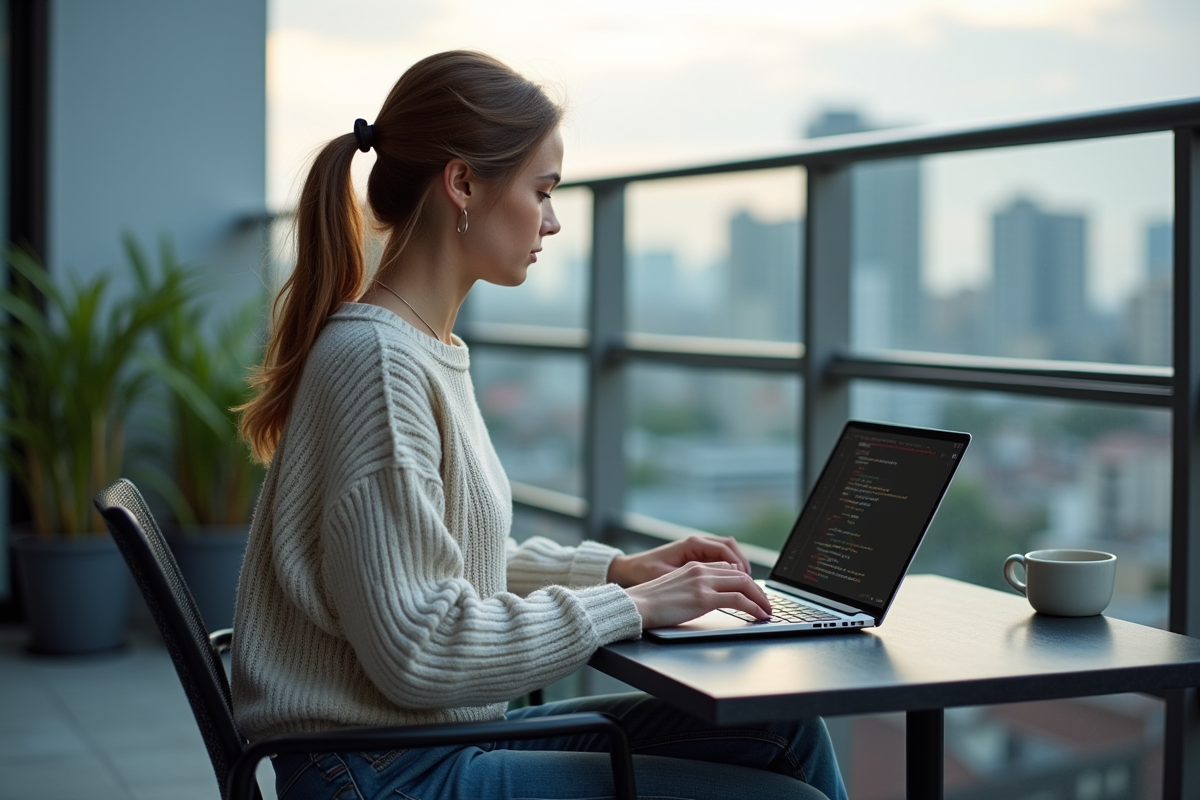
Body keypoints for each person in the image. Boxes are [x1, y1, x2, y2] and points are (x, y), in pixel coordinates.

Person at [232, 50, 848, 800]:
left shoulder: (422, 348)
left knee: (785, 730)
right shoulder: (380, 364)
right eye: (542, 190)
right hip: (383, 771)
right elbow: (421, 647)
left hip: (422, 741)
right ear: (461, 183)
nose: (552, 222)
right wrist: (631, 607)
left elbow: (442, 564)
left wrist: (616, 571)